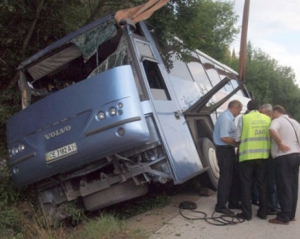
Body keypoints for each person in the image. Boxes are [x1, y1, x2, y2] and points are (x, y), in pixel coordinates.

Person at [235, 100, 271, 220]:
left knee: (246, 185)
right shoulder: (267, 119)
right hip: (263, 156)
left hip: (247, 156)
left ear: (248, 108)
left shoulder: (244, 118)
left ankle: (247, 214)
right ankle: (263, 212)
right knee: (262, 184)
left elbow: (237, 137)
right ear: (259, 108)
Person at [268, 105, 300, 225]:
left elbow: (272, 130)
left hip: (283, 157)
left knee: (283, 186)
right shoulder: (295, 122)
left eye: (272, 114)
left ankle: (284, 216)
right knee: (293, 186)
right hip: (295, 155)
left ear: (276, 112)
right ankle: (291, 214)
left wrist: (280, 143)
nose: (271, 116)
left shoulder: (278, 121)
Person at [213, 99, 243, 214]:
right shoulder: (226, 118)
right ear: (235, 108)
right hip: (224, 150)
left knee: (233, 176)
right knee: (225, 178)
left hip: (228, 150)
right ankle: (220, 205)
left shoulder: (229, 117)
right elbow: (224, 137)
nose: (238, 113)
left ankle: (233, 202)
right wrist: (237, 143)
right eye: (239, 111)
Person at [259, 103, 280, 214]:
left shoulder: (273, 123)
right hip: (270, 156)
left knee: (273, 182)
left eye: (262, 113)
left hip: (273, 157)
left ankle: (275, 206)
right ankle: (273, 205)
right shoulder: (271, 122)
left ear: (269, 113)